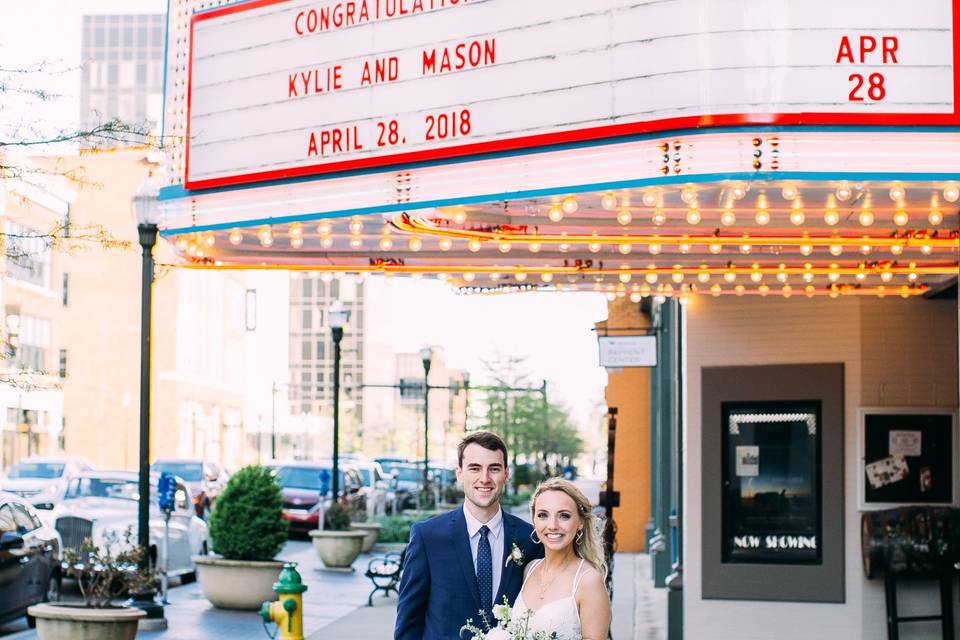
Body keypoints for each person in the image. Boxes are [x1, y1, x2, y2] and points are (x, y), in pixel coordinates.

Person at [394, 431, 543, 640]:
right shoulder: (427, 537)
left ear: (506, 474)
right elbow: (408, 623)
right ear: (459, 473)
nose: (485, 478)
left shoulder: (531, 539)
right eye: (475, 468)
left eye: (494, 469)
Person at [500, 477, 610, 640]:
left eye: (564, 516)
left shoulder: (589, 581)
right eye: (543, 515)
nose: (552, 525)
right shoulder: (529, 569)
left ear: (580, 522)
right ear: (534, 521)